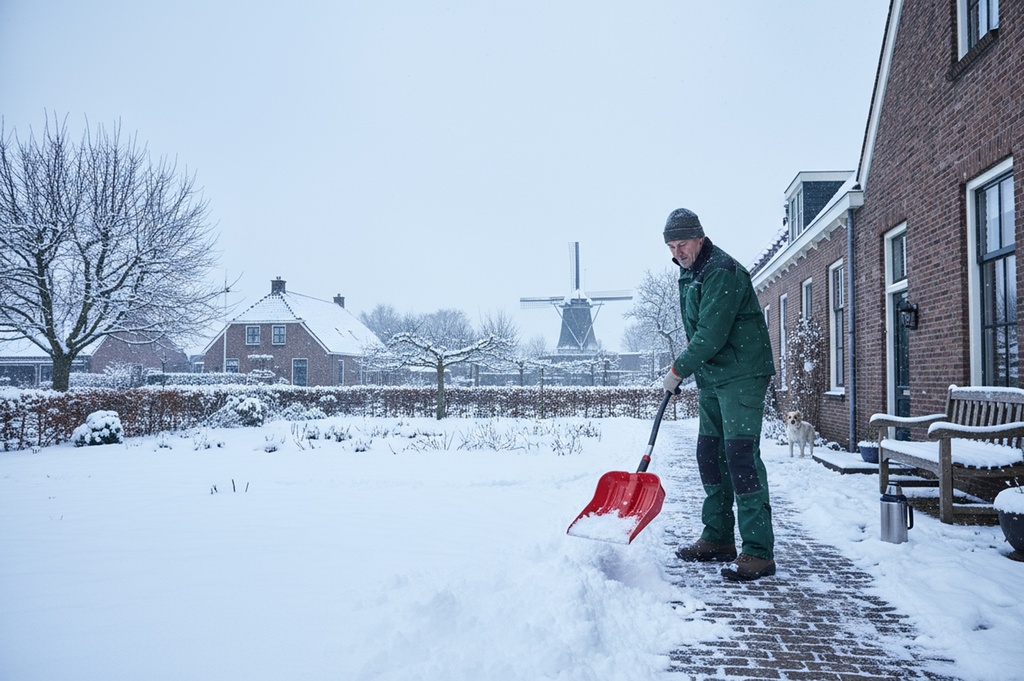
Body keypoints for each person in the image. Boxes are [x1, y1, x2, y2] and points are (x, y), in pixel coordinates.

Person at [660, 207, 778, 582]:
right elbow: (700, 334)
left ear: (699, 237)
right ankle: (718, 537)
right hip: (713, 377)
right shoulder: (691, 273)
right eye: (672, 246)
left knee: (740, 456)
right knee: (709, 453)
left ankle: (758, 551)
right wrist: (692, 371)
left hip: (742, 374)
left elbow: (710, 333)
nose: (677, 252)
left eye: (682, 244)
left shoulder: (722, 271)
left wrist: (678, 370)